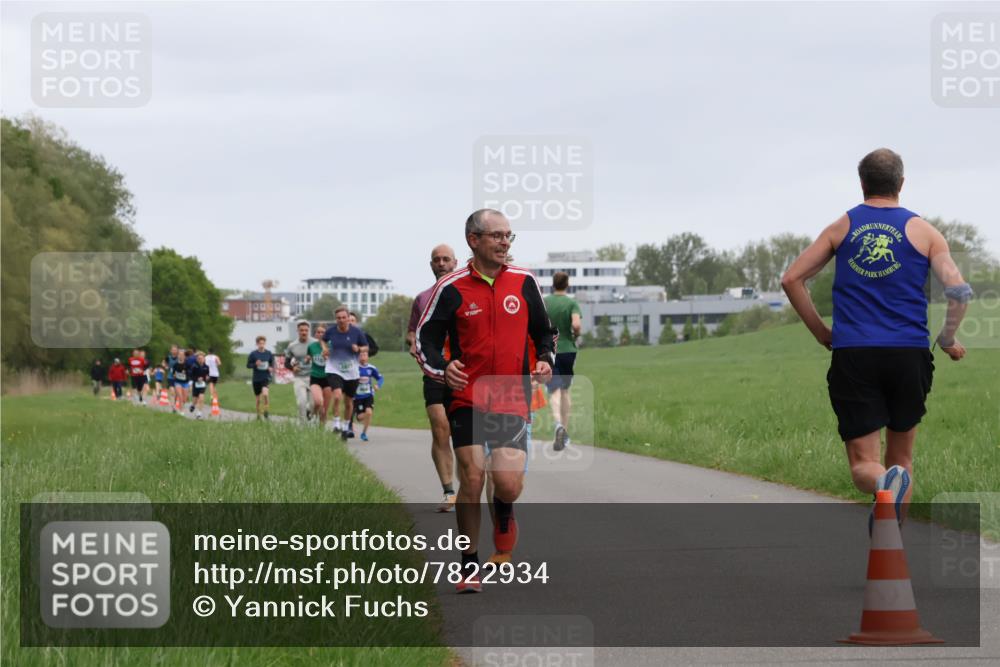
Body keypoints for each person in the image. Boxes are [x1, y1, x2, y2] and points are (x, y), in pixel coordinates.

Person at [781, 148, 970, 533]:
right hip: (910, 355)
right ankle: (891, 545)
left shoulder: (842, 227)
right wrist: (948, 337)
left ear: (862, 184)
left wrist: (822, 333)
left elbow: (791, 279)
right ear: (901, 184)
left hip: (855, 355)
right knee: (902, 459)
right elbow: (959, 290)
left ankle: (882, 486)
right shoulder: (925, 232)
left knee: (865, 464)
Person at [417, 209, 556, 593]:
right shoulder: (452, 287)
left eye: (509, 236)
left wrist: (545, 359)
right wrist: (443, 368)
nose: (504, 243)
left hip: (512, 395)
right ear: (473, 240)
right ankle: (468, 565)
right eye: (496, 236)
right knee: (473, 477)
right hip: (467, 394)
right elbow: (425, 339)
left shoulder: (525, 282)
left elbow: (545, 332)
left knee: (507, 484)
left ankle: (505, 512)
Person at [407, 243, 460, 512]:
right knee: (440, 427)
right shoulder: (422, 298)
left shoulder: (466, 292)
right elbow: (412, 336)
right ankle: (449, 491)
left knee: (466, 433)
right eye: (436, 260)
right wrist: (423, 360)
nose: (441, 263)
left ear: (455, 263)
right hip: (435, 373)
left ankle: (471, 487)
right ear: (431, 265)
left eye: (446, 259)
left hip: (465, 372)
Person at [544, 271, 583, 450]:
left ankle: (558, 424)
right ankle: (565, 433)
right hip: (568, 350)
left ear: (553, 284)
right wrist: (576, 333)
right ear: (567, 284)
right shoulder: (571, 303)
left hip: (551, 350)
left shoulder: (545, 302)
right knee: (566, 391)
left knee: (554, 391)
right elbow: (576, 324)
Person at [324, 306, 368, 440]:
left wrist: (359, 348)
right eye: (339, 318)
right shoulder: (331, 331)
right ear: (335, 319)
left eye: (344, 317)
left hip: (351, 372)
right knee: (337, 396)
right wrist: (325, 349)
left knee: (349, 402)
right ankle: (336, 423)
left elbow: (366, 347)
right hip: (334, 369)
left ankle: (345, 426)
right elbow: (322, 340)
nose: (341, 320)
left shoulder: (357, 332)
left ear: (348, 318)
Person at [285, 321, 315, 422]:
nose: (304, 332)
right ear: (297, 331)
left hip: (313, 377)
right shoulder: (292, 346)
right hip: (299, 378)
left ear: (308, 331)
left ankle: (308, 411)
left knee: (313, 404)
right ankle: (302, 427)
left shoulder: (315, 343)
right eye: (301, 330)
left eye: (306, 330)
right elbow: (286, 362)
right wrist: (292, 368)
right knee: (301, 402)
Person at [353, 349, 384, 441]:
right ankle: (355, 418)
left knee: (369, 413)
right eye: (360, 355)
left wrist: (378, 385)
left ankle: (364, 433)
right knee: (360, 417)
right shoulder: (354, 367)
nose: (362, 357)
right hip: (357, 397)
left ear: (368, 357)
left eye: (364, 355)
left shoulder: (371, 368)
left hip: (368, 395)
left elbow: (380, 378)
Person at [246, 336, 275, 420]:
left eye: (263, 343)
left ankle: (266, 411)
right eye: (260, 343)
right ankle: (258, 415)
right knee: (258, 399)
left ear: (265, 343)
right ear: (257, 344)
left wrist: (270, 367)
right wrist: (255, 364)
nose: (261, 345)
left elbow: (272, 363)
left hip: (265, 377)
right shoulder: (253, 354)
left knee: (265, 394)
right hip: (256, 378)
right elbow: (248, 365)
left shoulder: (268, 353)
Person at [307, 324, 329, 426]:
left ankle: (321, 431)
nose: (320, 334)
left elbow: (335, 361)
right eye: (318, 332)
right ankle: (312, 415)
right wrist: (307, 359)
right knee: (318, 402)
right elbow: (308, 358)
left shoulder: (331, 346)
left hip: (328, 378)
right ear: (315, 334)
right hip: (315, 377)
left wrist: (327, 357)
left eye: (322, 332)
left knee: (324, 409)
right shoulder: (311, 347)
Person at [191, 352, 211, 419]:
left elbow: (208, 375)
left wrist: (207, 378)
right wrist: (197, 379)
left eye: (202, 358)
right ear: (197, 359)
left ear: (204, 359)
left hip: (202, 384)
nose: (200, 360)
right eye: (199, 358)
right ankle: (193, 405)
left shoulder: (207, 367)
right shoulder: (194, 366)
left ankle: (199, 413)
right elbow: (191, 376)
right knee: (195, 399)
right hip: (195, 384)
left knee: (201, 397)